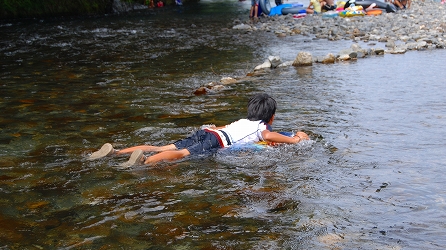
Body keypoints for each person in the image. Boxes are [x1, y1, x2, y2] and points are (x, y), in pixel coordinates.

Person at [88, 93, 310, 167]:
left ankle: (116, 152)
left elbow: (224, 128)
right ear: (270, 116)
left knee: (163, 146)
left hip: (208, 132)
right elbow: (269, 136)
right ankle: (144, 161)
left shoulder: (243, 120)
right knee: (183, 154)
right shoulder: (262, 127)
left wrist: (211, 128)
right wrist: (297, 139)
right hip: (216, 141)